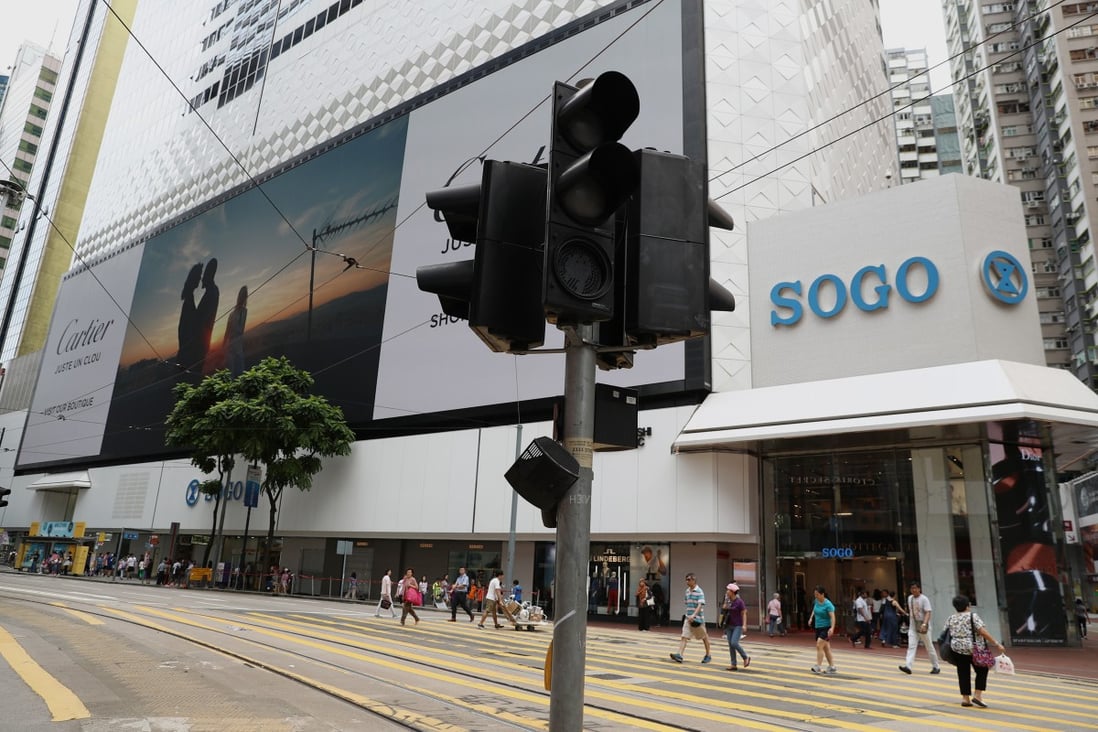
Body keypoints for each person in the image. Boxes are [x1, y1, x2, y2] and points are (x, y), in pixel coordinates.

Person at [945, 595, 1005, 708]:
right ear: (968, 605)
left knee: (963, 672)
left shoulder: (951, 618)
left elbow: (947, 631)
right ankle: (977, 695)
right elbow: (982, 631)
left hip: (956, 648)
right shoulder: (973, 616)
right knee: (982, 669)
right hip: (974, 648)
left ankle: (965, 698)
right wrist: (996, 643)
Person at [899, 581, 941, 674]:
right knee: (911, 646)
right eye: (912, 588)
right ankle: (908, 666)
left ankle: (936, 666)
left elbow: (928, 612)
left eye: (915, 588)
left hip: (923, 627)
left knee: (929, 646)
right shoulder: (910, 598)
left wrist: (924, 624)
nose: (913, 590)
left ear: (919, 589)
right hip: (913, 626)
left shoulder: (924, 599)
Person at [670, 573, 711, 664]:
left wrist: (694, 615)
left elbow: (700, 605)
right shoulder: (687, 591)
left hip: (698, 620)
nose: (687, 581)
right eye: (686, 579)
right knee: (684, 636)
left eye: (688, 579)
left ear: (693, 580)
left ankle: (708, 655)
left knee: (704, 637)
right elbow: (686, 603)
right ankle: (679, 655)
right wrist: (689, 616)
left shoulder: (699, 591)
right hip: (688, 619)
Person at [195, 258, 220, 375]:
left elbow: (202, 321)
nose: (202, 278)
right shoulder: (212, 291)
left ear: (209, 275)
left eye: (205, 274)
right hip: (201, 343)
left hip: (199, 344)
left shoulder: (212, 293)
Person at [721, 583, 751, 670]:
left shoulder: (739, 602)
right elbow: (724, 609)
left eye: (728, 590)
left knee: (734, 643)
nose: (727, 592)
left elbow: (744, 613)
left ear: (732, 592)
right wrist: (725, 604)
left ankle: (745, 657)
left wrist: (744, 625)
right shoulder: (728, 600)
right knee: (731, 645)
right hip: (729, 625)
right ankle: (733, 664)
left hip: (737, 625)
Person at [810, 585, 838, 674]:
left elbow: (833, 617)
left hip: (826, 628)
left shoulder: (828, 604)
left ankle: (818, 666)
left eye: (817, 594)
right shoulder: (816, 601)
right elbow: (814, 610)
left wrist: (832, 628)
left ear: (822, 594)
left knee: (819, 645)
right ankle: (832, 666)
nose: (816, 596)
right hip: (818, 627)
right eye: (815, 594)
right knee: (826, 648)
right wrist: (811, 618)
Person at [223, 285, 248, 376]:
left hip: (237, 345)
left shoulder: (243, 312)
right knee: (233, 373)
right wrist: (224, 345)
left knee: (237, 372)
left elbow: (238, 330)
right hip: (232, 345)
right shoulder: (233, 314)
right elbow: (229, 331)